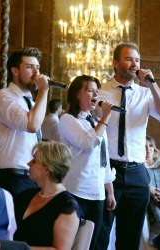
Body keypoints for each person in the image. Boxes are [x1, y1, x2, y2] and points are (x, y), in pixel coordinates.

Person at [96, 43, 160, 250]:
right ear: (115, 63)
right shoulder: (101, 91)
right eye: (129, 59)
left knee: (130, 238)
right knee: (101, 234)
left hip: (137, 172)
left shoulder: (145, 93)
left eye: (137, 60)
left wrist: (153, 85)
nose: (134, 64)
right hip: (107, 170)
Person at [58, 75, 116, 250]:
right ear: (77, 94)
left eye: (97, 91)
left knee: (96, 243)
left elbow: (103, 159)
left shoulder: (97, 123)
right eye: (90, 90)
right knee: (76, 244)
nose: (95, 95)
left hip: (97, 193)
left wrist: (110, 192)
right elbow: (88, 143)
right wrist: (106, 117)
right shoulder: (68, 120)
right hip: (76, 190)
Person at [0, 47, 50, 196]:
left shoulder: (29, 100)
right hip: (13, 178)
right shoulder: (4, 97)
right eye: (30, 67)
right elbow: (32, 125)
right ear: (15, 71)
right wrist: (43, 91)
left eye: (38, 68)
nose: (36, 72)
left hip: (33, 176)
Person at [13, 141, 81, 249]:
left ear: (46, 169)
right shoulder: (25, 195)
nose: (28, 163)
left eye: (34, 161)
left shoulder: (67, 206)